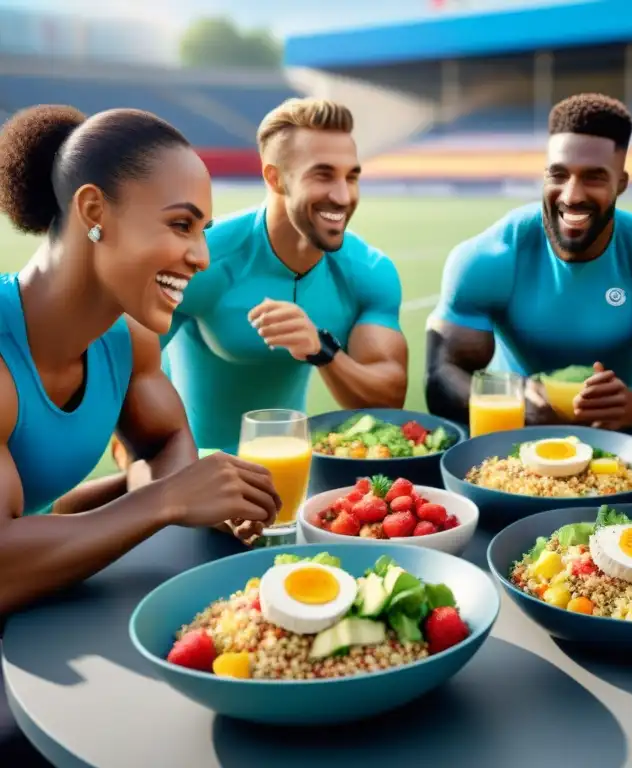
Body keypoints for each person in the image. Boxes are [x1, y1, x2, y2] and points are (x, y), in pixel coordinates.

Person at [0, 105, 281, 617]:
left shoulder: (128, 340)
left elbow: (166, 442)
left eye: (203, 231)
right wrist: (167, 500)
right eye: (180, 225)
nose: (201, 256)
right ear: (94, 212)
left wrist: (195, 498)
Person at [425, 93, 632, 444]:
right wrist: (508, 398)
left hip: (623, 439)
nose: (571, 195)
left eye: (594, 177)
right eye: (559, 174)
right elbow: (441, 373)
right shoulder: (488, 257)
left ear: (621, 184)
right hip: (512, 436)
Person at [150, 97, 407, 456]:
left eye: (351, 177)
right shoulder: (200, 259)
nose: (343, 196)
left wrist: (322, 350)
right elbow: (122, 377)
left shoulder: (369, 272)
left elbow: (387, 400)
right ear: (275, 177)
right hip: (194, 469)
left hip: (290, 468)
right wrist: (167, 464)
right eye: (323, 174)